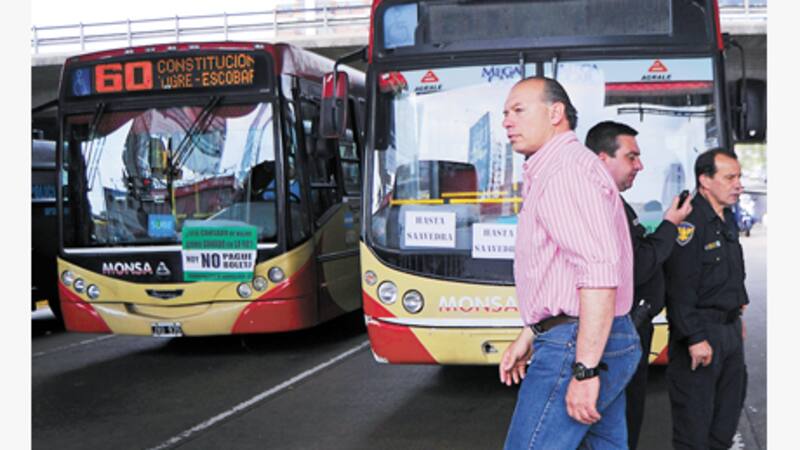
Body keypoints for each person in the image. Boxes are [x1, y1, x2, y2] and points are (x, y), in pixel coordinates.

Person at [499, 77, 641, 450]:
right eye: (505, 114)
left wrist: (585, 369)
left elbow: (597, 271)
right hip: (585, 335)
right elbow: (562, 272)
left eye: (518, 110)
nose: (507, 122)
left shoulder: (564, 172)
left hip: (577, 344)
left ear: (555, 113)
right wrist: (531, 332)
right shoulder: (558, 167)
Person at [585, 121, 693, 450]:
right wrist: (670, 225)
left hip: (629, 331)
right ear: (603, 159)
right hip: (618, 334)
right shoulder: (599, 204)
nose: (640, 166)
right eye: (632, 157)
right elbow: (638, 265)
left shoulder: (614, 202)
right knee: (616, 425)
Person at [663, 148, 749, 450]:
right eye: (729, 177)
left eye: (738, 176)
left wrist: (738, 314)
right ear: (705, 180)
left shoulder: (725, 218)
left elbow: (731, 273)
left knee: (725, 423)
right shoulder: (690, 222)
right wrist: (695, 337)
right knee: (694, 429)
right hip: (701, 334)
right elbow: (679, 288)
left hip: (728, 330)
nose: (738, 184)